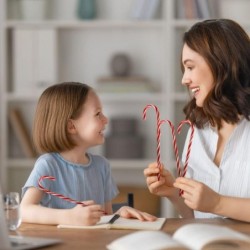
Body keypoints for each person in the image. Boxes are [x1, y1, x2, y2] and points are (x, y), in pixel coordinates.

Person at [144, 19, 250, 222]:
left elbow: (213, 205)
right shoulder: (198, 131)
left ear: (221, 63)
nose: (184, 79)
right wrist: (174, 193)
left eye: (190, 67)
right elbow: (197, 216)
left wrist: (218, 203)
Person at [21, 82, 156, 226]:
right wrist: (69, 217)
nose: (106, 119)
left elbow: (104, 218)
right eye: (98, 114)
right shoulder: (48, 165)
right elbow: (24, 210)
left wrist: (119, 213)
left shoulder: (102, 166)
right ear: (71, 126)